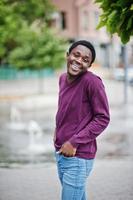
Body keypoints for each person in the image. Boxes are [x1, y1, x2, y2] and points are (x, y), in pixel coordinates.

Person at [54, 40, 110, 200]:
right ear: (67, 56)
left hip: (78, 156)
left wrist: (74, 142)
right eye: (76, 55)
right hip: (60, 152)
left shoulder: (92, 82)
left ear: (89, 65)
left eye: (85, 59)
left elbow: (103, 118)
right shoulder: (63, 78)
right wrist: (57, 131)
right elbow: (63, 108)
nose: (79, 60)